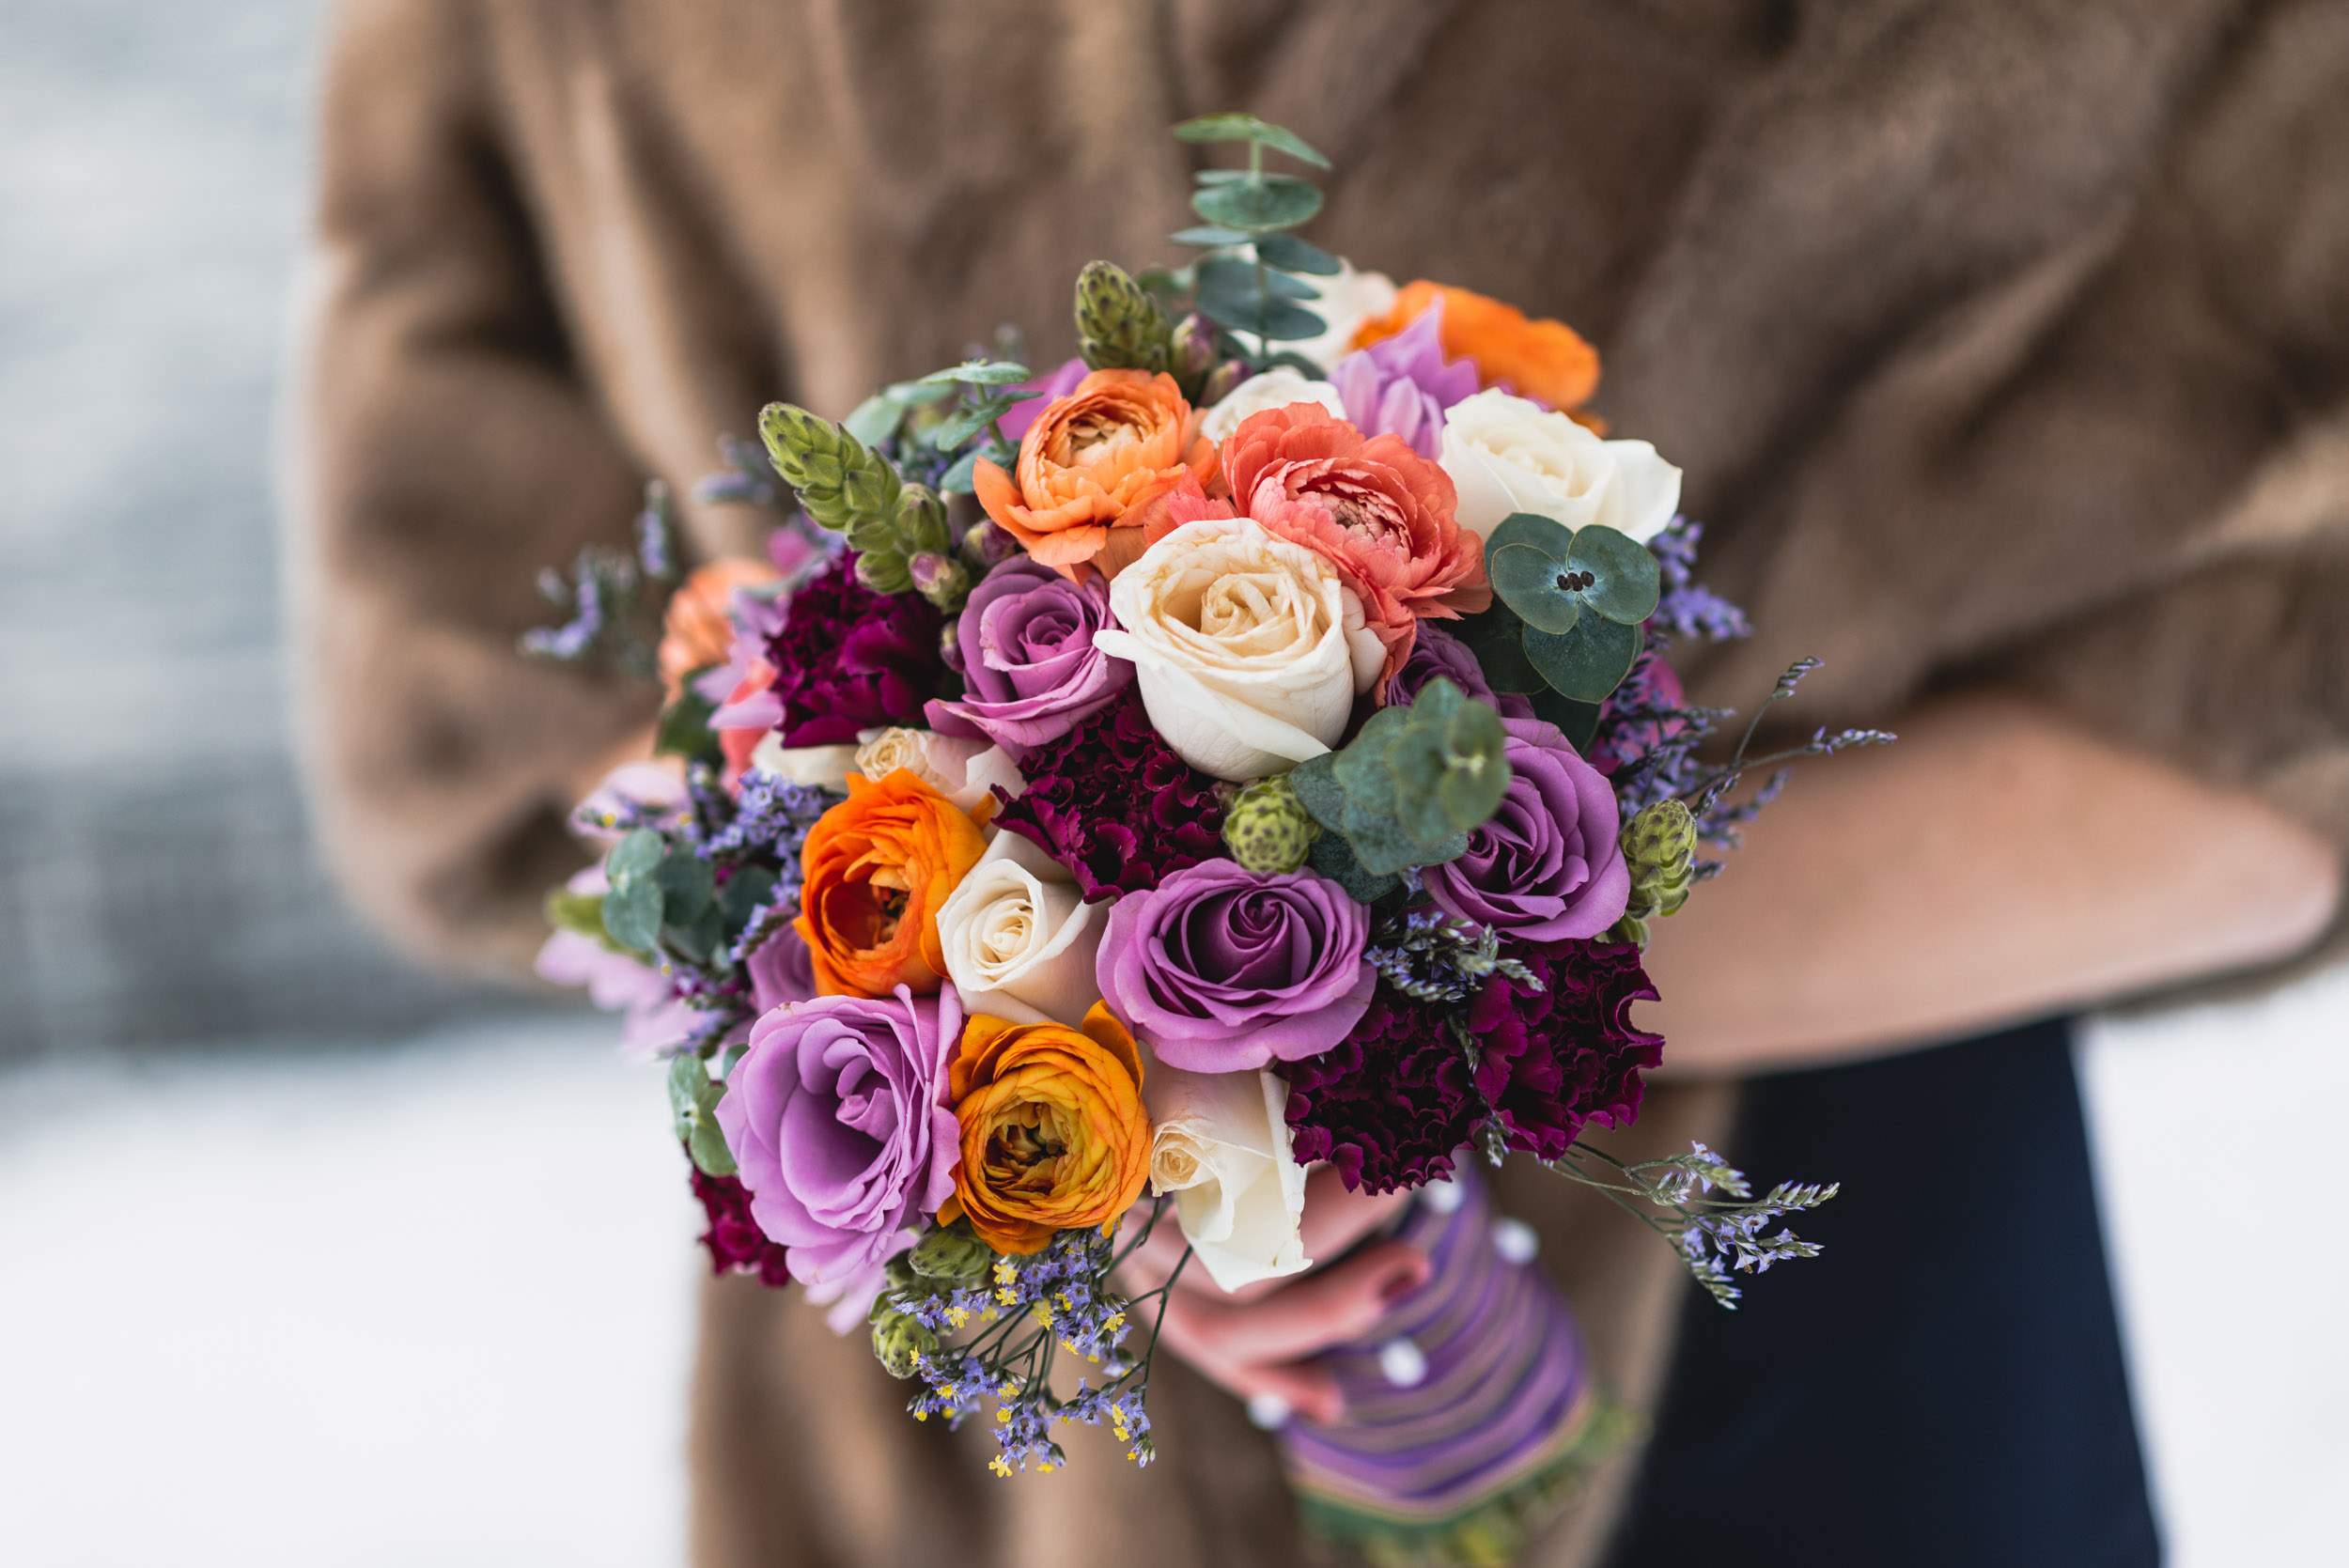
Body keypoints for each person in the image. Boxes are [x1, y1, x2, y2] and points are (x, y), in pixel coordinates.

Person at [288, 2, 2348, 1564]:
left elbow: (2273, 708)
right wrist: (987, 1019)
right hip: (960, 1436)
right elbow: (463, 691)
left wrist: (1380, 1023)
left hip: (1793, 1369)